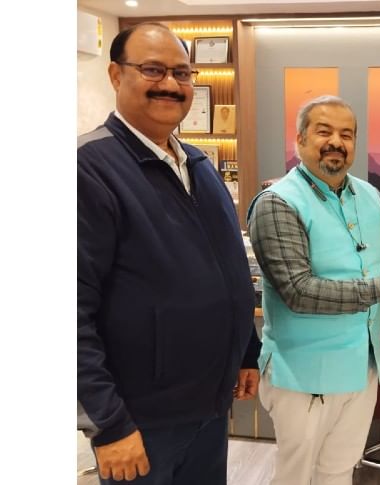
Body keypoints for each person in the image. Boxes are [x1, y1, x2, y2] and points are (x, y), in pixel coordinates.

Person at [78, 22, 261, 484]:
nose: (170, 84)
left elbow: (227, 267)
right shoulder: (87, 170)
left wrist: (246, 350)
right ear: (116, 75)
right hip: (140, 420)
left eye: (182, 73)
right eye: (153, 70)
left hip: (208, 407)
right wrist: (107, 424)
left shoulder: (198, 164)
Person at [247, 95, 380, 485]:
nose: (336, 142)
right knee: (296, 478)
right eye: (324, 131)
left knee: (339, 473)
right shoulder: (277, 203)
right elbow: (298, 291)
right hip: (303, 375)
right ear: (300, 139)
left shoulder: (369, 195)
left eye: (346, 134)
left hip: (363, 367)